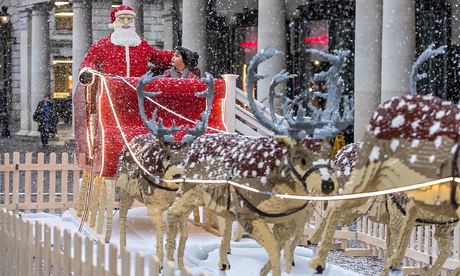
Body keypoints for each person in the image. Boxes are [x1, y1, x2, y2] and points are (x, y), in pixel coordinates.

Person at [79, 5, 174, 84]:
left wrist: (178, 55)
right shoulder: (103, 45)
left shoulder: (142, 45)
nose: (126, 22)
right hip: (111, 93)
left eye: (129, 19)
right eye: (122, 19)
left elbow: (159, 57)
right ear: (114, 22)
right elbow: (89, 61)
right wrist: (87, 71)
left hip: (138, 92)